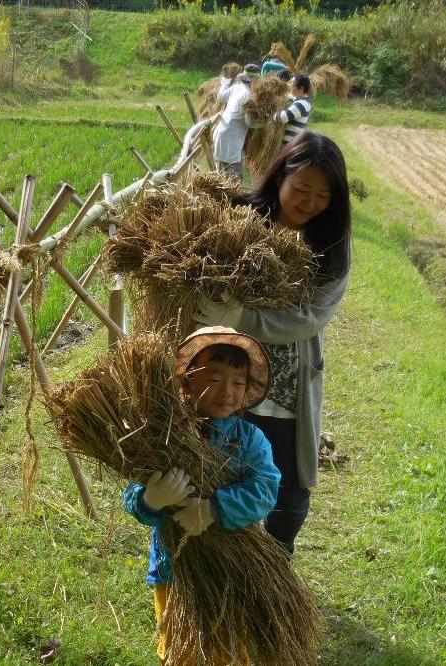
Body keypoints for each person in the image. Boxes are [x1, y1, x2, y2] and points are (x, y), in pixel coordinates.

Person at [194, 132, 352, 555]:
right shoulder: (238, 218)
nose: (309, 202)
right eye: (301, 189)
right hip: (227, 371)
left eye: (322, 195)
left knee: (290, 489)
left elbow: (310, 319)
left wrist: (240, 317)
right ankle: (221, 563)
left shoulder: (331, 246)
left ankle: (276, 559)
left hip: (287, 383)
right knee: (221, 468)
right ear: (280, 175)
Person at [122, 326, 280, 665]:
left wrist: (213, 509)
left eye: (238, 382)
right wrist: (151, 499)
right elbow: (132, 495)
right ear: (188, 381)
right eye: (215, 378)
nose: (227, 391)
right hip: (174, 568)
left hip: (231, 568)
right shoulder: (163, 437)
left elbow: (265, 489)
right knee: (180, 650)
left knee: (226, 647)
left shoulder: (249, 440)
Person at [212, 64, 260, 180]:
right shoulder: (250, 96)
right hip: (232, 140)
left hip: (220, 133)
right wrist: (263, 123)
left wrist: (226, 80)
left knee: (222, 177)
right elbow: (249, 122)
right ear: (255, 80)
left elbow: (220, 96)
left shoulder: (237, 87)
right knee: (235, 180)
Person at [274, 73, 312, 145]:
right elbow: (289, 96)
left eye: (292, 84)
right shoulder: (300, 100)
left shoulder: (301, 104)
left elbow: (282, 118)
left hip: (290, 144)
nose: (290, 85)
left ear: (301, 88)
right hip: (291, 143)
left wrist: (271, 114)